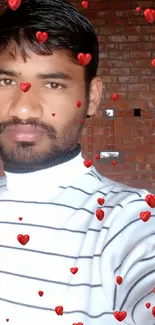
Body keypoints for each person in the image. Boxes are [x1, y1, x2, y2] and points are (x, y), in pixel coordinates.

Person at [0, 0, 154, 324]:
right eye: (6, 81)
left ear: (92, 97)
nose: (23, 109)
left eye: (53, 84)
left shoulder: (130, 220)